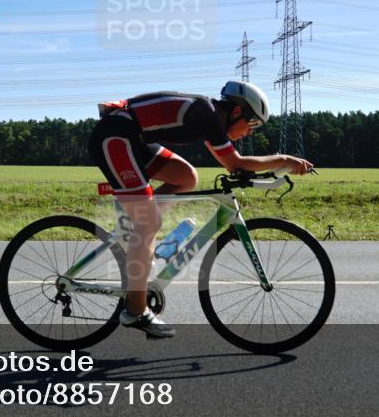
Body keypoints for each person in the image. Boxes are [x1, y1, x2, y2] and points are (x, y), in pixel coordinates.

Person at [87, 81, 313, 338]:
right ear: (237, 112)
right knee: (148, 224)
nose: (249, 133)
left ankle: (139, 229)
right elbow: (234, 163)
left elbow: (235, 165)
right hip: (115, 137)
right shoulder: (206, 114)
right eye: (251, 125)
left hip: (132, 137)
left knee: (186, 177)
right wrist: (283, 160)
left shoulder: (211, 116)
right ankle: (135, 311)